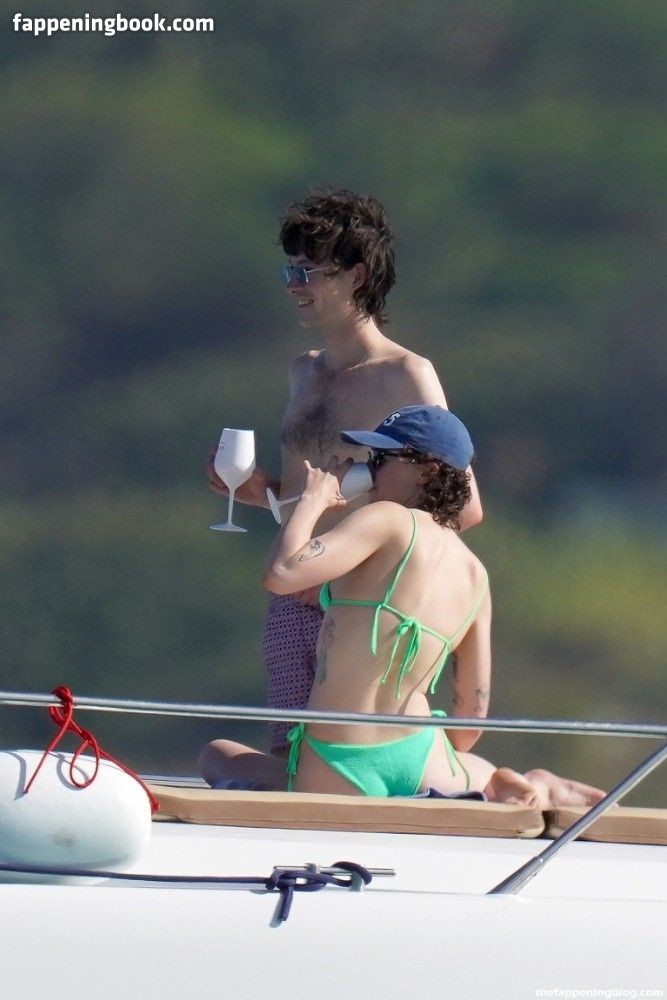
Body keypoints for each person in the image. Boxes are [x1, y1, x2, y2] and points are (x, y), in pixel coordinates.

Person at [200, 405, 605, 810]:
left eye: (382, 458)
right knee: (460, 762)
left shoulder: (386, 519)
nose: (370, 468)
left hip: (339, 762)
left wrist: (312, 499)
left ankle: (497, 781)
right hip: (421, 758)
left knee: (216, 756)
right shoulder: (476, 575)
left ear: (428, 471)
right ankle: (510, 782)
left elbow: (282, 573)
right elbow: (469, 723)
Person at [207, 189, 483, 757]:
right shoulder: (302, 372)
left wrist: (349, 572)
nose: (293, 285)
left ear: (356, 275)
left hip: (361, 605)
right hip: (293, 597)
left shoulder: (407, 374)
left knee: (350, 760)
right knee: (288, 757)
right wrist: (264, 493)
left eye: (308, 272)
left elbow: (462, 506)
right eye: (290, 270)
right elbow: (313, 495)